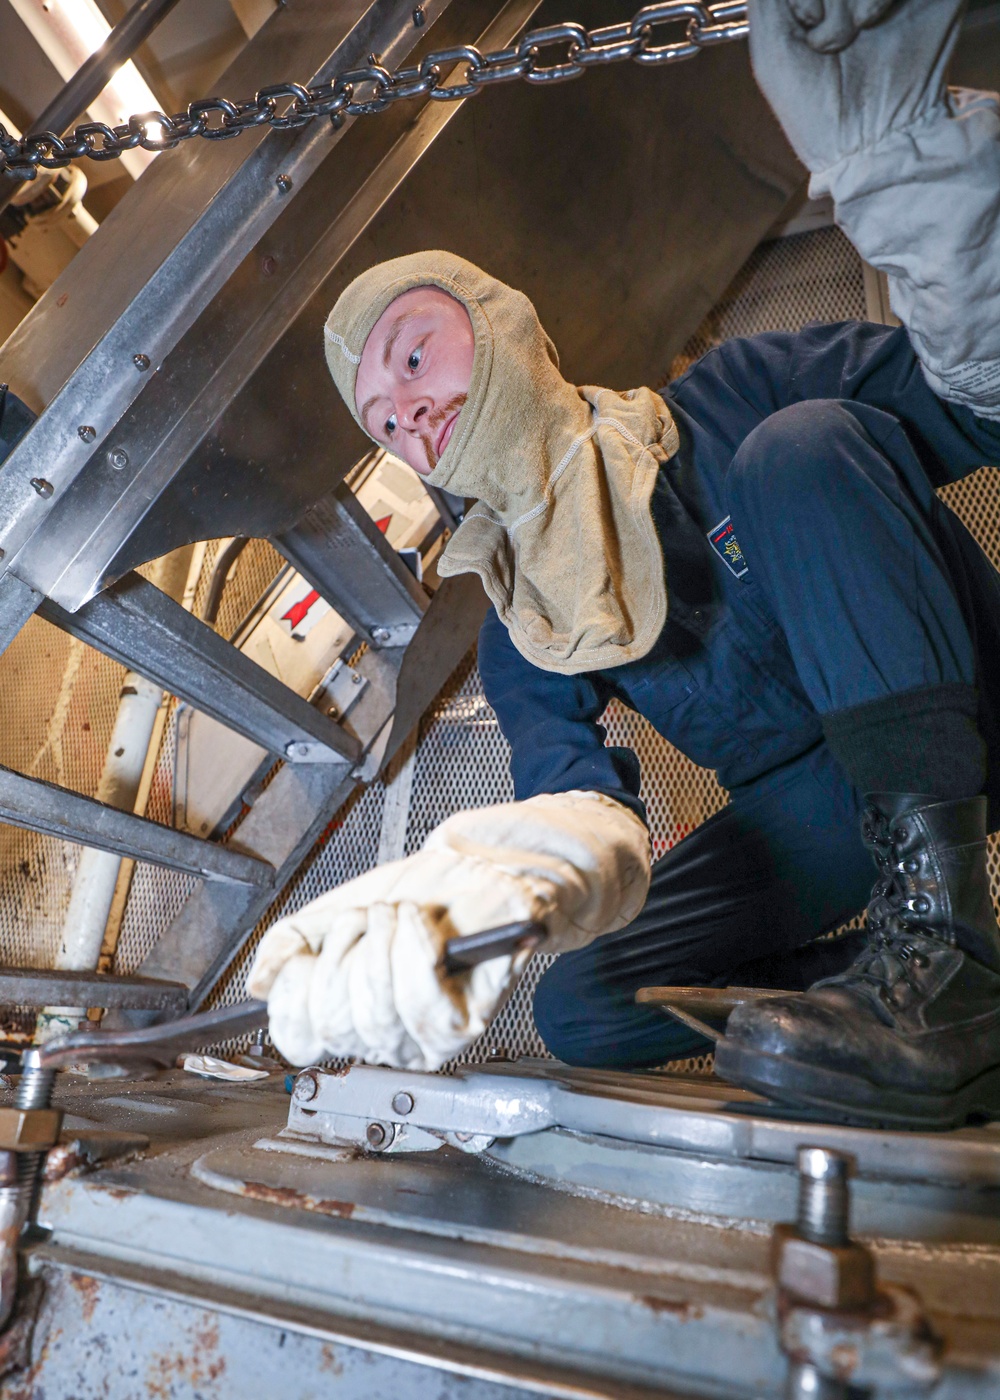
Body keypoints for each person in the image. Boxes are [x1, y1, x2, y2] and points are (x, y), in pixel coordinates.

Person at [249, 0, 1000, 1128]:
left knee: (794, 451)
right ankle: (906, 999)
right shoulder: (523, 615)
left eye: (414, 354)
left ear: (498, 323)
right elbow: (574, 795)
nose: (407, 411)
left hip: (966, 699)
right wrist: (499, 879)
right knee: (587, 1007)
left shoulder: (733, 393)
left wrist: (912, 180)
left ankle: (947, 945)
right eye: (385, 421)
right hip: (825, 808)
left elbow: (976, 406)